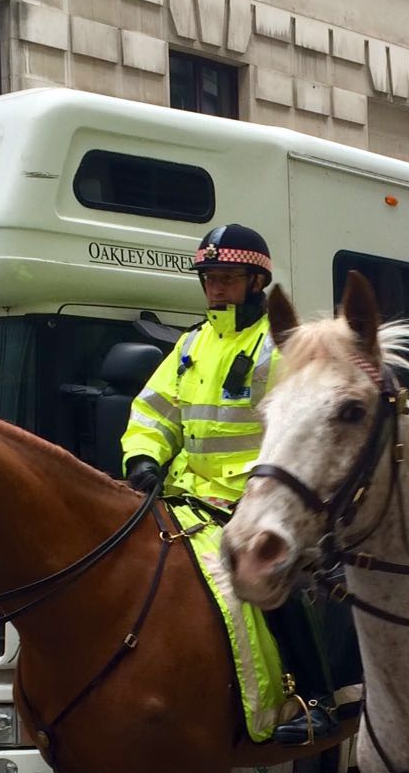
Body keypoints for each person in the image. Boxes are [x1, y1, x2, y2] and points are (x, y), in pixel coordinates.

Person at [121, 223, 341, 746]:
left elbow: (299, 426)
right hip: (185, 494)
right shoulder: (191, 344)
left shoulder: (278, 345)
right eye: (209, 278)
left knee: (276, 588)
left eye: (227, 277)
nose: (216, 288)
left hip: (255, 499)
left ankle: (316, 700)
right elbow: (154, 413)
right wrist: (143, 460)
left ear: (255, 281)